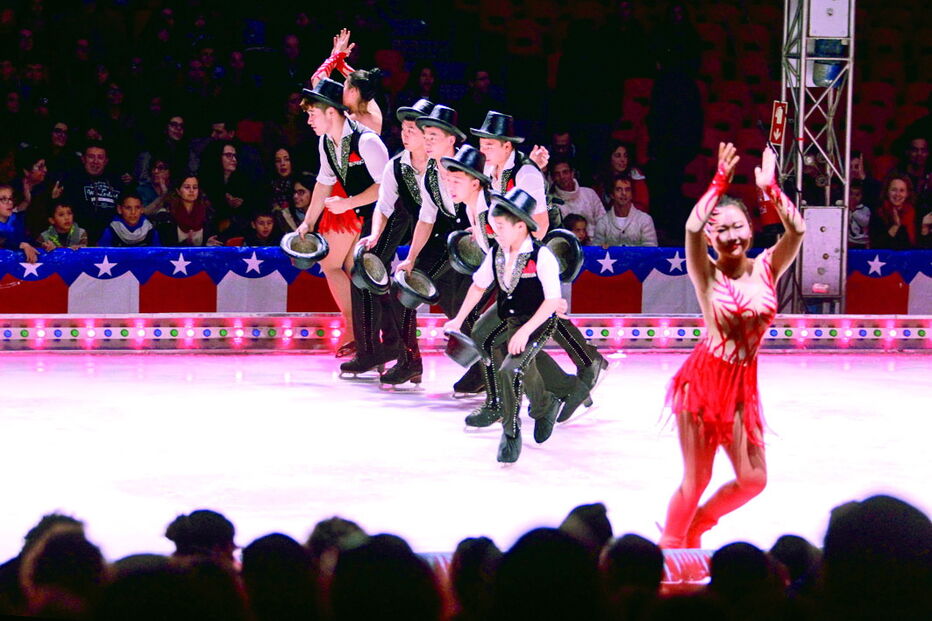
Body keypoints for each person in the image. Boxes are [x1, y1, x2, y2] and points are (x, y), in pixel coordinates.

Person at [659, 143, 805, 549]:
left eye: (737, 226)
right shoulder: (706, 274)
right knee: (697, 479)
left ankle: (698, 525)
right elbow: (690, 229)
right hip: (703, 383)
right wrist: (719, 183)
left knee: (754, 478)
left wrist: (770, 188)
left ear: (751, 228)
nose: (731, 236)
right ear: (711, 236)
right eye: (721, 230)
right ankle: (668, 548)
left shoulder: (768, 267)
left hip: (742, 387)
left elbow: (797, 231)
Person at [444, 188, 564, 463]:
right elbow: (478, 286)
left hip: (538, 320)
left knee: (512, 369)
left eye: (500, 227)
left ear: (520, 226)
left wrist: (524, 332)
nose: (494, 232)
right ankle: (539, 404)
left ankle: (510, 432)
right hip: (509, 317)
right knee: (490, 343)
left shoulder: (542, 256)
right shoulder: (497, 252)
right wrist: (458, 320)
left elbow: (552, 302)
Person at [297, 78, 389, 368]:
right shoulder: (326, 142)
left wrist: (348, 203)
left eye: (313, 113)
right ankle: (369, 347)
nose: (309, 120)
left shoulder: (367, 141)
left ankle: (380, 345)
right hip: (362, 215)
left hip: (385, 218)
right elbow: (324, 182)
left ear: (331, 112)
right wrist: (308, 222)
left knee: (365, 281)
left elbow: (387, 188)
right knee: (357, 278)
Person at [360, 98, 435, 385]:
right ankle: (409, 360)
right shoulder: (396, 166)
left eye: (411, 130)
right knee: (402, 292)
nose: (405, 134)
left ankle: (484, 367)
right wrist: (376, 233)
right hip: (423, 236)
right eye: (403, 129)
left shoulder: (442, 164)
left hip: (451, 237)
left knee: (461, 304)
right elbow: (383, 205)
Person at [310, 28, 383, 134]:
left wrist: (335, 56)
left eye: (345, 86)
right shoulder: (373, 109)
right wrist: (340, 61)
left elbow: (316, 79)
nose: (342, 90)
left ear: (353, 91)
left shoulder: (346, 119)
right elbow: (360, 80)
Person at [61, 141, 123, 242]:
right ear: (83, 159)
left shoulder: (117, 182)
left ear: (106, 161)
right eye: (91, 157)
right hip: (79, 240)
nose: (95, 161)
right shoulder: (72, 181)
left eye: (100, 157)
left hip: (112, 240)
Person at [593, 176, 658, 246]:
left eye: (627, 190)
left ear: (632, 194)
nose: (624, 193)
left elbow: (651, 249)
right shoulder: (603, 222)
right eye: (618, 189)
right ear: (612, 195)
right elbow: (597, 249)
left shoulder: (645, 220)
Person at [550, 157, 604, 238]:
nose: (562, 177)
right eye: (557, 174)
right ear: (552, 178)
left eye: (565, 172)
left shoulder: (589, 193)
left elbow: (602, 221)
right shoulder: (552, 202)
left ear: (572, 173)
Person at [869, 174, 916, 249]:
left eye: (902, 190)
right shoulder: (878, 214)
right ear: (887, 192)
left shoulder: (913, 214)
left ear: (907, 194)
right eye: (894, 190)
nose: (897, 194)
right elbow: (877, 246)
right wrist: (895, 226)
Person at [166, 175, 212, 246]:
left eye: (195, 187)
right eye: (187, 187)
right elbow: (166, 247)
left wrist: (207, 245)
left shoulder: (207, 213)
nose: (191, 190)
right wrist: (185, 243)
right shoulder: (167, 215)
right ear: (178, 191)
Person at [0, 183, 39, 262]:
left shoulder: (18, 219)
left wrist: (43, 244)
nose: (10, 202)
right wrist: (20, 245)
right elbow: (3, 242)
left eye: (11, 198)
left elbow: (29, 241)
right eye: (4, 199)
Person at [847, 180, 871, 250]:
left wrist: (854, 211)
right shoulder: (845, 209)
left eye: (857, 195)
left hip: (862, 242)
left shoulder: (865, 209)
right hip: (848, 240)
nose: (853, 197)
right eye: (851, 194)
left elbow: (865, 223)